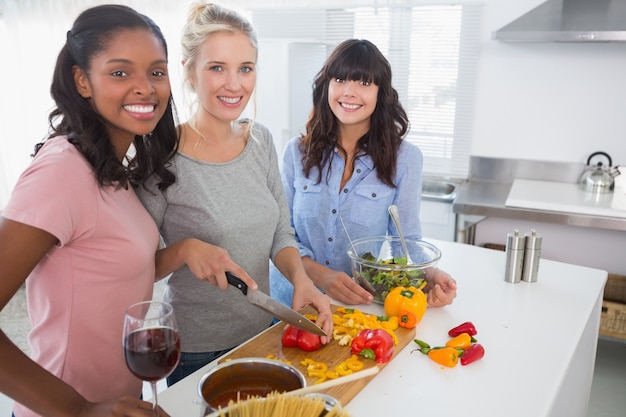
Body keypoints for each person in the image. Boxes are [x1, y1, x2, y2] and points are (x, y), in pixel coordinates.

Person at [136, 2, 332, 387]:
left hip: (264, 331)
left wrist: (301, 280)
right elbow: (139, 268)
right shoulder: (160, 156)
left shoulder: (260, 140)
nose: (234, 84)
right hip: (195, 350)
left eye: (245, 68)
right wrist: (186, 249)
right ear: (189, 73)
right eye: (217, 68)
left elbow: (281, 234)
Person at [0, 5, 179, 417]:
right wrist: (81, 409)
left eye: (156, 72)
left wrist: (185, 251)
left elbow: (109, 274)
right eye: (120, 73)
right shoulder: (61, 170)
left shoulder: (107, 165)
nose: (146, 88)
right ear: (82, 81)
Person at [270, 39, 458, 308]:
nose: (349, 92)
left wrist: (428, 277)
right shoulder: (296, 153)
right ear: (326, 87)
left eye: (364, 83)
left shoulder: (405, 159)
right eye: (340, 79)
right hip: (289, 302)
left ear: (381, 93)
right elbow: (280, 235)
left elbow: (405, 242)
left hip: (352, 306)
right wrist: (322, 276)